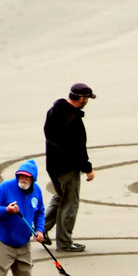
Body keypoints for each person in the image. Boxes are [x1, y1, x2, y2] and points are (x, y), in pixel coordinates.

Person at [43, 82, 96, 252]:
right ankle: (64, 242)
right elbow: (79, 148)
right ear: (81, 98)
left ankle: (41, 229)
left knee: (60, 197)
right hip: (67, 168)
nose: (87, 101)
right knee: (70, 203)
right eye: (87, 98)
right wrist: (88, 169)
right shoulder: (73, 120)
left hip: (52, 165)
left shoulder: (53, 112)